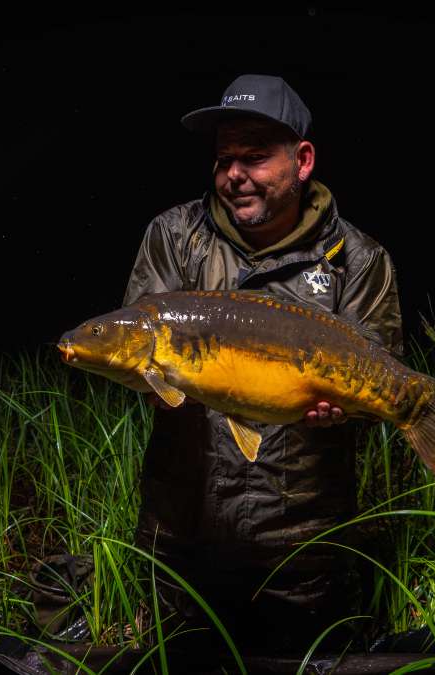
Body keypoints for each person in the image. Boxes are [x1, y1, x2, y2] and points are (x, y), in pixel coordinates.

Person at [123, 74, 403, 660]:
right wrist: (147, 379)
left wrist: (345, 410)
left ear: (302, 161)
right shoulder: (174, 238)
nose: (235, 175)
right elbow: (136, 351)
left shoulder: (358, 258)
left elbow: (381, 389)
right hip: (184, 528)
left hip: (303, 538)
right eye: (225, 159)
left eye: (255, 157)